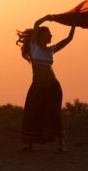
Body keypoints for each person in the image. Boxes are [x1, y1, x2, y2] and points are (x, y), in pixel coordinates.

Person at [16, 15, 76, 152]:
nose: (51, 36)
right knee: (33, 114)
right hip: (37, 87)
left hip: (52, 87)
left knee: (54, 114)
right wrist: (47, 17)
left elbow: (68, 39)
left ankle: (61, 145)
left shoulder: (50, 50)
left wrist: (74, 25)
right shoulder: (34, 47)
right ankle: (29, 145)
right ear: (42, 36)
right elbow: (36, 23)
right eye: (49, 34)